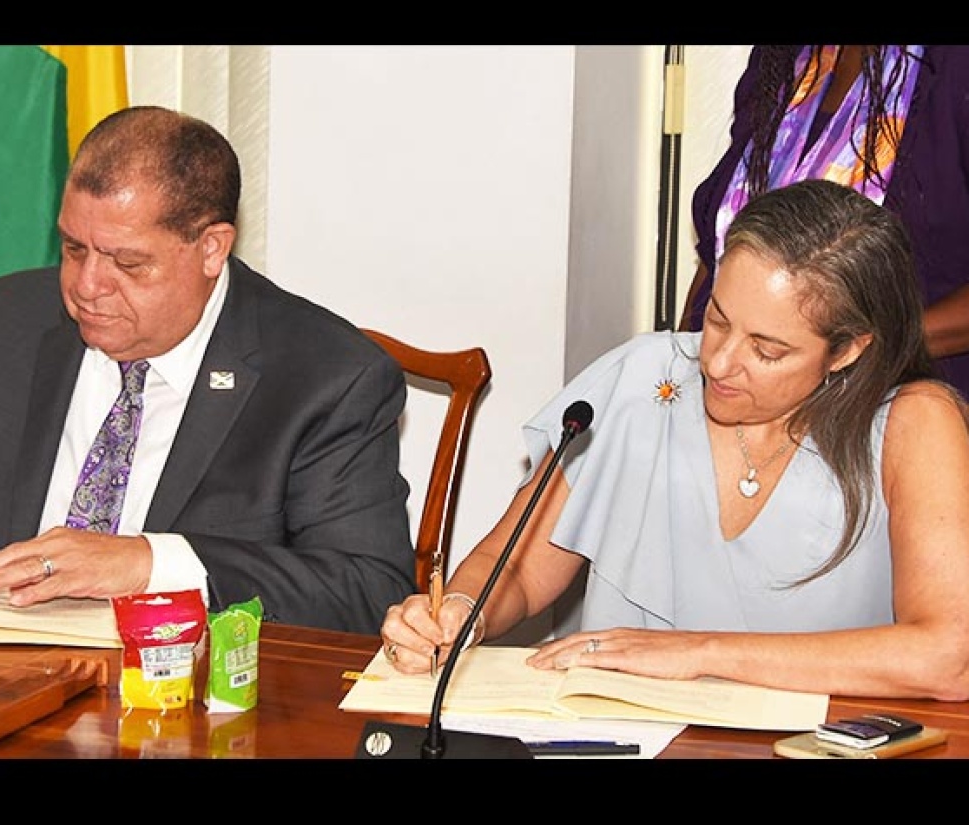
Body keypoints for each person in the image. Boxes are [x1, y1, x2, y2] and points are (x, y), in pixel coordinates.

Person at [0, 105, 416, 636]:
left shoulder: (326, 376)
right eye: (73, 248)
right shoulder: (8, 318)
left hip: (189, 703)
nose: (86, 286)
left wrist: (146, 563)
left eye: (127, 264)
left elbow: (364, 587)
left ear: (212, 248)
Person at [381, 179, 969, 701]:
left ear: (849, 350)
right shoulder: (647, 378)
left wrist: (699, 654)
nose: (719, 362)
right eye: (717, 320)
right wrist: (461, 614)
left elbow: (949, 659)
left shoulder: (912, 423)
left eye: (767, 350)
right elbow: (520, 570)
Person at [680, 46, 969, 400]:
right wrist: (679, 374)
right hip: (733, 401)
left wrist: (856, 353)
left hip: (883, 411)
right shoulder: (782, 57)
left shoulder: (954, 68)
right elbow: (722, 247)